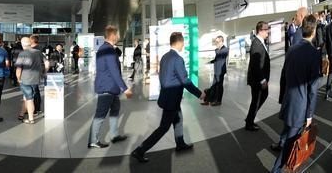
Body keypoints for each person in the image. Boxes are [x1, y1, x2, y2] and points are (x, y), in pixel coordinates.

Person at [131, 32, 203, 163]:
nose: (184, 45)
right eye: (183, 43)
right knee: (163, 128)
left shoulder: (165, 57)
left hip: (168, 98)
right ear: (180, 43)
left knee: (178, 119)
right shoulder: (177, 59)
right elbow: (185, 81)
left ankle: (180, 143)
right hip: (172, 100)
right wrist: (200, 94)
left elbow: (163, 78)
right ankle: (140, 150)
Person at [271, 15, 320, 173]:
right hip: (300, 108)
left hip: (288, 102)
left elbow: (283, 76)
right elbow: (313, 88)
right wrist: (310, 114)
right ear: (313, 29)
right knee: (290, 144)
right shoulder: (313, 54)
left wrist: (282, 99)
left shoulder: (292, 49)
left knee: (287, 135)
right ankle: (276, 170)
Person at [88, 26, 133, 149]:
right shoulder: (107, 50)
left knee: (115, 110)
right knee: (100, 114)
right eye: (118, 34)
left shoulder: (106, 49)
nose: (119, 36)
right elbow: (114, 71)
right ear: (113, 35)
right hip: (107, 88)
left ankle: (114, 135)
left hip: (111, 87)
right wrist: (125, 88)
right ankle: (93, 140)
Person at [245, 21, 270, 131]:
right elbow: (255, 65)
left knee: (259, 98)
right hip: (257, 80)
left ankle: (249, 119)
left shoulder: (260, 42)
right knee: (256, 101)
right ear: (260, 30)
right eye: (266, 29)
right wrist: (262, 80)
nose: (268, 31)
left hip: (259, 78)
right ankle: (249, 123)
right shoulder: (256, 43)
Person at [16, 37, 44, 124]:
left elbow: (19, 69)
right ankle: (21, 114)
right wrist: (45, 72)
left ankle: (31, 118)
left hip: (26, 79)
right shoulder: (38, 52)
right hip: (36, 79)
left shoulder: (22, 54)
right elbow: (46, 63)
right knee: (26, 96)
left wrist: (18, 78)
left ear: (22, 44)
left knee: (29, 99)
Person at [201, 36, 229, 106]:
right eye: (215, 42)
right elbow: (216, 59)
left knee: (219, 86)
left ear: (222, 41)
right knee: (214, 85)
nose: (216, 43)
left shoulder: (225, 49)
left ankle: (218, 101)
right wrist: (210, 62)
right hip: (216, 70)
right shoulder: (218, 50)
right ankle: (209, 100)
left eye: (217, 42)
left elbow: (219, 56)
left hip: (221, 71)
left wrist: (217, 49)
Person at [29, 34, 47, 114]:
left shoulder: (33, 49)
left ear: (32, 40)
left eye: (30, 39)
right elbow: (45, 61)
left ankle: (35, 108)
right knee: (35, 90)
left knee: (34, 90)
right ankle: (37, 107)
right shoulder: (40, 48)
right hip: (37, 71)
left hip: (31, 72)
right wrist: (44, 72)